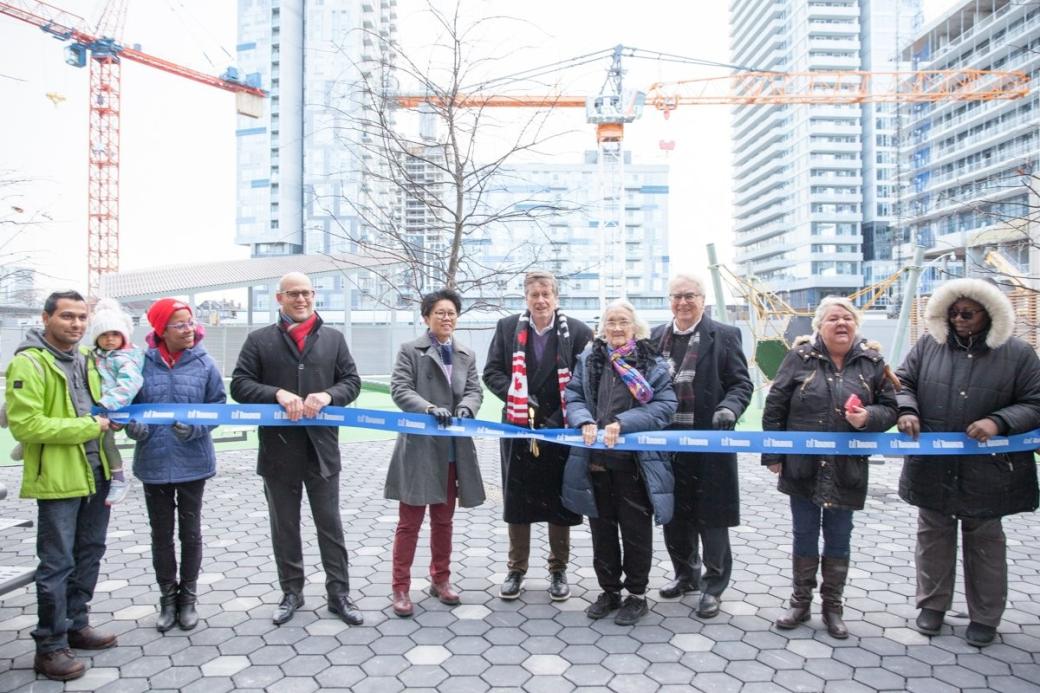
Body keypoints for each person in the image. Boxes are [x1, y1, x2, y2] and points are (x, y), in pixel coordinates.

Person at [895, 278, 1040, 647]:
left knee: (986, 543)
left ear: (988, 313)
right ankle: (932, 606)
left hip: (990, 470)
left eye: (967, 313)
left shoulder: (1019, 354)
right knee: (932, 537)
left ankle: (986, 617)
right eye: (953, 312)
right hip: (933, 466)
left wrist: (999, 422)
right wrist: (907, 410)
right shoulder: (929, 344)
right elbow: (902, 383)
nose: (958, 319)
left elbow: (1035, 403)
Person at [231, 272, 364, 626]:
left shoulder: (333, 339)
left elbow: (352, 382)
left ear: (314, 295)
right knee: (285, 526)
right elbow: (240, 385)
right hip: (278, 452)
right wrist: (275, 392)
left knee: (330, 525)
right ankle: (292, 592)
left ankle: (339, 594)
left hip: (322, 451)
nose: (301, 299)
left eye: (306, 293)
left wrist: (329, 395)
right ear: (279, 299)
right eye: (293, 294)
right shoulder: (259, 340)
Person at [762, 296, 898, 638]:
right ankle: (800, 602)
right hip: (802, 466)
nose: (842, 323)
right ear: (819, 327)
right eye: (833, 318)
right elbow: (776, 404)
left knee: (839, 535)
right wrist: (774, 455)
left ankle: (833, 607)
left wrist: (868, 418)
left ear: (856, 325)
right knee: (804, 532)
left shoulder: (872, 362)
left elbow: (891, 407)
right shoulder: (799, 358)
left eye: (848, 318)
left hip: (847, 468)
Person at [5, 290, 116, 681]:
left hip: (97, 470)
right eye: (68, 316)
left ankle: (76, 625)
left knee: (90, 551)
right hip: (58, 477)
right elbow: (26, 425)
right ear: (46, 317)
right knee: (57, 563)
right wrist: (90, 426)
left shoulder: (86, 358)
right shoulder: (28, 363)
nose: (77, 324)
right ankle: (49, 647)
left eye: (82, 317)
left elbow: (101, 407)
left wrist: (116, 415)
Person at [561, 299, 677, 626]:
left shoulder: (651, 362)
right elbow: (574, 396)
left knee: (636, 531)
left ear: (634, 327)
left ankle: (636, 595)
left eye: (622, 321)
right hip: (596, 462)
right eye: (610, 321)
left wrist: (624, 422)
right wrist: (584, 420)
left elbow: (665, 406)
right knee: (602, 531)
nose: (615, 327)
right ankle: (609, 591)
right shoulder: (590, 359)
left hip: (636, 466)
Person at [483, 270, 593, 601]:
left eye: (546, 293)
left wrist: (559, 416)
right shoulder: (506, 328)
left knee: (560, 500)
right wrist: (515, 395)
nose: (541, 300)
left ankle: (558, 570)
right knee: (518, 500)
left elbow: (586, 379)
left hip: (561, 428)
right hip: (517, 426)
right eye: (534, 294)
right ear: (526, 298)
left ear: (556, 298)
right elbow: (492, 373)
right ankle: (516, 569)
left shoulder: (577, 331)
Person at [650, 274, 753, 619]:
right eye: (676, 296)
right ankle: (685, 574)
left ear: (703, 298)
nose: (682, 302)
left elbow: (740, 383)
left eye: (689, 295)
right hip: (666, 445)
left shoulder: (724, 335)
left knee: (712, 518)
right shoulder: (654, 337)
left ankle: (713, 586)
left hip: (709, 443)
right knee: (674, 516)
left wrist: (729, 408)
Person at [124, 298, 225, 633]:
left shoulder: (205, 363)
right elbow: (128, 406)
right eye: (180, 324)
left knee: (191, 533)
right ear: (161, 329)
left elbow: (218, 407)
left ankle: (189, 598)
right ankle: (167, 598)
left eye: (190, 322)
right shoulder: (139, 363)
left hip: (193, 461)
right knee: (161, 535)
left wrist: (196, 428)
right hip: (153, 461)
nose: (189, 329)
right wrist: (133, 426)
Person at [385, 288, 485, 617]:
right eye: (440, 312)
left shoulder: (465, 353)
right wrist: (428, 407)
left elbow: (474, 389)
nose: (447, 318)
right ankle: (400, 587)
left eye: (452, 313)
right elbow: (400, 389)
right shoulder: (410, 351)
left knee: (444, 521)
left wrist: (468, 408)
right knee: (409, 523)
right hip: (419, 449)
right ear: (426, 317)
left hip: (453, 451)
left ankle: (440, 580)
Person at [87, 298, 145, 506]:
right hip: (98, 407)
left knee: (107, 442)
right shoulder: (98, 356)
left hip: (111, 409)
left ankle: (119, 478)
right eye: (103, 335)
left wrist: (109, 403)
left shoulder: (124, 358)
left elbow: (131, 383)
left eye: (114, 334)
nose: (109, 339)